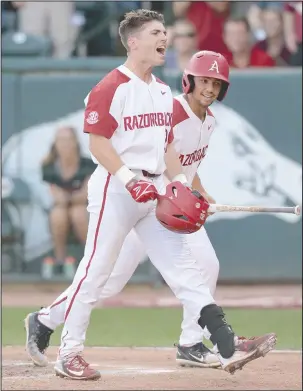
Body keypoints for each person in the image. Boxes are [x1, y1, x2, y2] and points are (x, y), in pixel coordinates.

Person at [24, 10, 276, 381]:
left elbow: (168, 145)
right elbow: (97, 143)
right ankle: (69, 351)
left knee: (188, 271)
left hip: (154, 190)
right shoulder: (112, 86)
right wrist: (128, 178)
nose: (165, 39)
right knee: (96, 274)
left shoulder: (160, 90)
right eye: (157, 33)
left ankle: (222, 341)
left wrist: (178, 184)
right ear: (133, 41)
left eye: (165, 33)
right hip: (116, 188)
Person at [41, 126, 96, 280]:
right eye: (61, 140)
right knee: (59, 214)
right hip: (60, 208)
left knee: (78, 213)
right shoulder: (49, 166)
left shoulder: (87, 164)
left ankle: (92, 261)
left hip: (83, 207)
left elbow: (86, 193)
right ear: (55, 144)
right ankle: (60, 260)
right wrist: (71, 197)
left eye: (68, 140)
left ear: (75, 142)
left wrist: (70, 197)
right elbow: (55, 195)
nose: (64, 144)